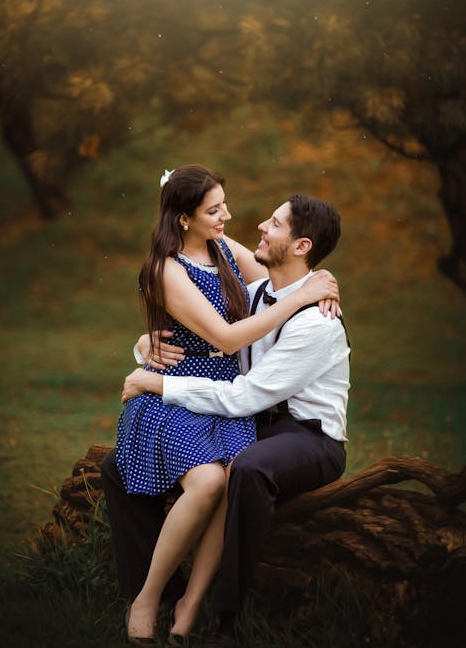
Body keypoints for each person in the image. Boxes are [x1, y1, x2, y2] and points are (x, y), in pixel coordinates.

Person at [101, 166, 339, 645]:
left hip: (227, 397)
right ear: (183, 218)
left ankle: (194, 604)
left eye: (225, 204)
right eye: (214, 210)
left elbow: (284, 283)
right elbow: (231, 336)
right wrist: (145, 344)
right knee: (206, 480)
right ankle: (147, 598)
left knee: (231, 477)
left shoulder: (225, 250)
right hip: (182, 395)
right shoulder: (166, 268)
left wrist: (324, 287)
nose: (229, 216)